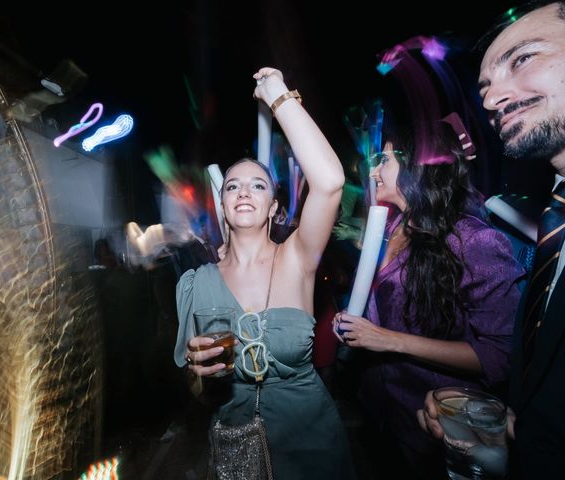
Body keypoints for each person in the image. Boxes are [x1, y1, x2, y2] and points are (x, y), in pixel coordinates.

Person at [174, 67, 355, 479]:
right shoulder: (194, 284)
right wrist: (196, 375)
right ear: (222, 205)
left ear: (274, 207)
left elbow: (328, 182)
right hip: (237, 447)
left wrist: (278, 96)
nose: (243, 191)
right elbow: (196, 388)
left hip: (313, 446)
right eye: (233, 186)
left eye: (258, 186)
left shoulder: (298, 257)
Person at [418, 2, 565, 477]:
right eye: (483, 86)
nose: (490, 99)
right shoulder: (554, 224)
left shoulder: (480, 238)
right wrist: (503, 426)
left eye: (523, 58)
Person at [334, 117, 523, 479]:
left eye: (385, 159)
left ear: (417, 166)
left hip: (439, 424)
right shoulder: (391, 227)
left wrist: (388, 340)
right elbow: (383, 304)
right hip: (382, 411)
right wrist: (354, 321)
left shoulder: (472, 240)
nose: (374, 170)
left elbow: (502, 355)